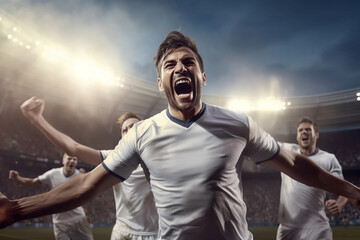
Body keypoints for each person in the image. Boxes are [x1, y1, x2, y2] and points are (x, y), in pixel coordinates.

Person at [1, 30, 360, 240]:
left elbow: (295, 163)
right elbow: (85, 185)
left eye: (189, 62)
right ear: (160, 83)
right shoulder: (142, 135)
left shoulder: (237, 123)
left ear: (203, 76)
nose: (180, 68)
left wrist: (350, 190)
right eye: (170, 65)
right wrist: (16, 209)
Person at [20, 99, 159, 240]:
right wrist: (37, 119)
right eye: (124, 130)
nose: (129, 131)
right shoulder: (114, 157)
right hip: (122, 234)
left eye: (134, 127)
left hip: (156, 234)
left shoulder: (161, 158)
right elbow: (73, 148)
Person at [276, 117, 349, 240]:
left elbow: (344, 188)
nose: (304, 132)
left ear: (317, 135)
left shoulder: (328, 159)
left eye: (308, 130)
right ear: (297, 136)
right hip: (288, 228)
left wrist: (339, 204)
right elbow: (261, 142)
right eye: (300, 130)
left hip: (318, 227)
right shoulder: (286, 150)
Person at [8, 153, 93, 240]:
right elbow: (32, 182)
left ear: (76, 162)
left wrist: (86, 176)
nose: (72, 161)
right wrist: (18, 178)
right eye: (69, 158)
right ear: (63, 161)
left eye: (74, 159)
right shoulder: (53, 174)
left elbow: (92, 186)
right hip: (60, 223)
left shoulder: (81, 176)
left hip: (78, 220)